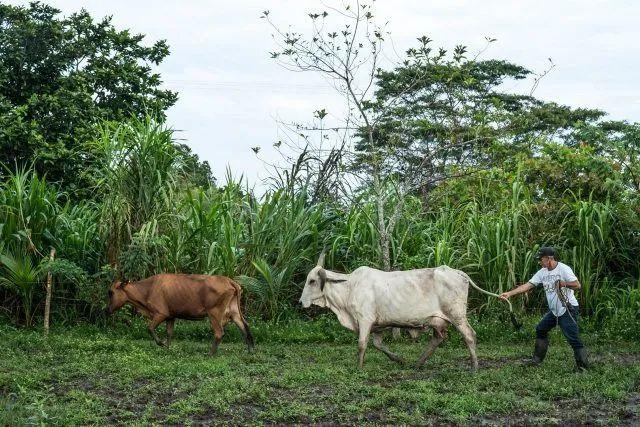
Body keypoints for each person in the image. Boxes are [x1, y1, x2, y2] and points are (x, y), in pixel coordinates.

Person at [499, 246, 589, 371]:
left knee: (573, 338)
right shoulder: (542, 272)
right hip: (554, 311)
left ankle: (583, 366)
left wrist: (563, 283)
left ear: (549, 258)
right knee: (541, 329)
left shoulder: (564, 269)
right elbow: (528, 285)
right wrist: (509, 293)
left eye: (541, 259)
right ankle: (536, 359)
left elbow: (577, 285)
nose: (539, 262)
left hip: (567, 309)